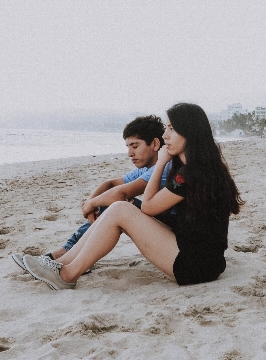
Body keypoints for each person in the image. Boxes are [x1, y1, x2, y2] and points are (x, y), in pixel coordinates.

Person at [20, 103, 243, 290]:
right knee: (123, 206)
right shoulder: (200, 167)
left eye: (172, 129)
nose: (165, 135)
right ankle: (61, 263)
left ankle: (67, 274)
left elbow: (148, 206)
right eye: (166, 128)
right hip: (203, 257)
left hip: (194, 265)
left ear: (189, 131)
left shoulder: (190, 173)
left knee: (121, 208)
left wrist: (162, 162)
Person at [13, 116, 167, 270]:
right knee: (109, 202)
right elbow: (110, 184)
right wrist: (91, 202)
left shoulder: (163, 168)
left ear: (155, 143)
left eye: (135, 146)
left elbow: (121, 193)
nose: (129, 153)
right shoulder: (146, 168)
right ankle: (69, 254)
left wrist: (92, 204)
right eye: (128, 146)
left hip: (168, 234)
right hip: (159, 224)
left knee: (116, 203)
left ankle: (65, 254)